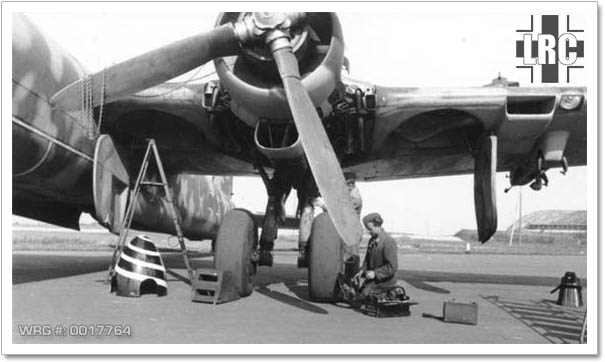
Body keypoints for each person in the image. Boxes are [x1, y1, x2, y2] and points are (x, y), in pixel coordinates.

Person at [357, 212, 398, 295]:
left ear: (377, 226)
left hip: (386, 281)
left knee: (363, 296)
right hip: (375, 280)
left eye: (370, 229)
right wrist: (362, 270)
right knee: (357, 293)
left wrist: (375, 273)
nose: (369, 232)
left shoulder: (388, 242)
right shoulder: (372, 241)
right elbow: (367, 260)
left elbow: (392, 267)